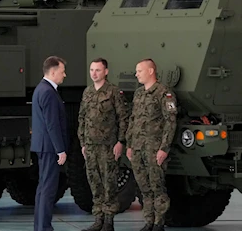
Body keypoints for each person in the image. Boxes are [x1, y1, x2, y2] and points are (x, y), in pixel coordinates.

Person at [78, 58, 130, 231]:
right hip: (90, 147)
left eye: (98, 70)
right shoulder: (88, 92)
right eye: (92, 70)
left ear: (106, 72)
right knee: (94, 182)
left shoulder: (114, 92)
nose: (94, 73)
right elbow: (82, 118)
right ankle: (98, 218)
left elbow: (123, 118)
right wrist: (83, 143)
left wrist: (121, 142)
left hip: (108, 146)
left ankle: (109, 221)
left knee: (109, 182)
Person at [126, 59, 178, 231]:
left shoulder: (164, 93)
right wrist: (129, 145)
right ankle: (149, 221)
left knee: (157, 186)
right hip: (138, 149)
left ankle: (159, 223)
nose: (136, 74)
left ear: (150, 71)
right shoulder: (139, 94)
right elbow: (133, 121)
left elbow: (170, 122)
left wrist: (164, 148)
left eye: (139, 71)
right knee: (144, 187)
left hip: (154, 149)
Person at [31, 56, 69, 231]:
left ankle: (40, 226)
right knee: (48, 189)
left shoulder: (41, 89)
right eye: (62, 71)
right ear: (53, 72)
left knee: (43, 188)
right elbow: (52, 124)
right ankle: (44, 227)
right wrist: (60, 150)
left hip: (43, 146)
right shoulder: (48, 92)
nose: (65, 75)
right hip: (49, 148)